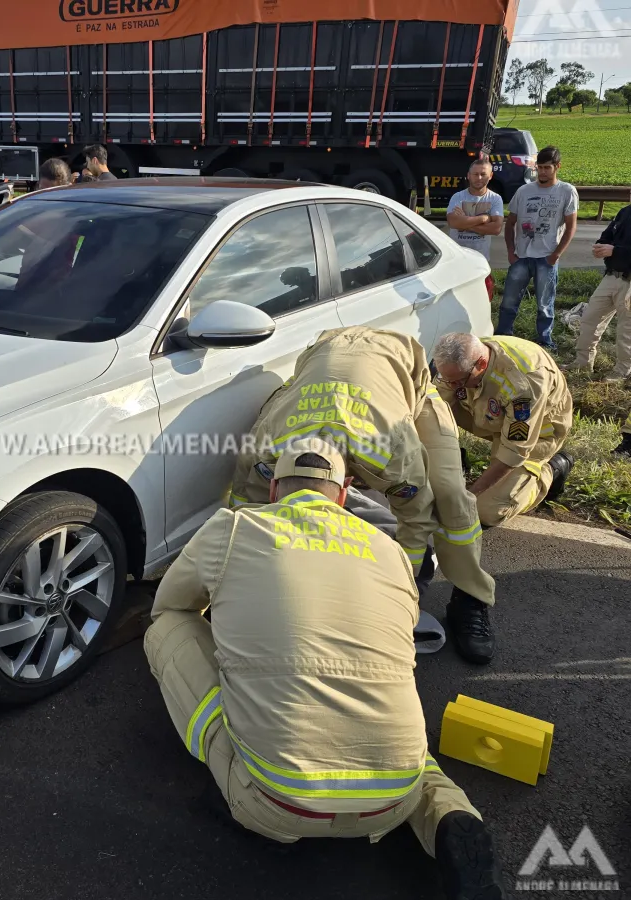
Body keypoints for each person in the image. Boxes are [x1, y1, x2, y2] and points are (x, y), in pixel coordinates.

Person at [144, 439, 506, 899]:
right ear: (343, 492)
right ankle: (452, 820)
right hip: (392, 801)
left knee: (165, 629)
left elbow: (173, 605)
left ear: (274, 489)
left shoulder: (233, 527)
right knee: (402, 743)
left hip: (278, 800)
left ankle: (240, 774)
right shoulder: (390, 550)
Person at [229, 326, 498, 664]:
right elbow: (244, 508)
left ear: (345, 492)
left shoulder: (392, 453)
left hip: (407, 385)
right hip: (323, 357)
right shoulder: (264, 447)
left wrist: (401, 596)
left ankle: (471, 599)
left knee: (449, 495)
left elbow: (415, 521)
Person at [432, 332, 574, 529]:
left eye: (457, 382)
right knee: (434, 410)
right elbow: (435, 407)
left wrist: (470, 495)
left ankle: (552, 469)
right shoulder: (460, 364)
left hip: (539, 429)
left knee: (487, 511)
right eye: (447, 378)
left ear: (481, 364)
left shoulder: (524, 384)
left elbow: (514, 452)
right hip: (489, 413)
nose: (451, 386)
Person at [496, 146, 578, 350]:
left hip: (547, 258)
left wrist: (556, 255)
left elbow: (571, 227)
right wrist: (510, 251)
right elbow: (511, 222)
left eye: (547, 168)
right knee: (509, 301)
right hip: (521, 257)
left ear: (557, 167)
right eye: (539, 167)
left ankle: (545, 341)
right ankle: (503, 336)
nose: (542, 172)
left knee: (544, 304)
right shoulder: (524, 191)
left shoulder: (566, 191)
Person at [564, 200, 631, 382]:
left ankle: (623, 370)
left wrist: (615, 251)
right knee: (590, 318)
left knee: (626, 329)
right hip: (612, 276)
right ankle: (582, 363)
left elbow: (615, 249)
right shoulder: (624, 212)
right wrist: (601, 247)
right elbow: (607, 235)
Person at [446, 157, 504, 261]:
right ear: (468, 175)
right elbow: (453, 222)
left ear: (490, 176)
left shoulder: (495, 199)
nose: (479, 178)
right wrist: (483, 219)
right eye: (475, 174)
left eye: (483, 174)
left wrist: (464, 224)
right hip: (457, 257)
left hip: (481, 258)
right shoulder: (457, 197)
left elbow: (496, 229)